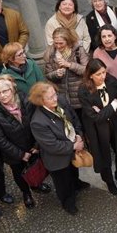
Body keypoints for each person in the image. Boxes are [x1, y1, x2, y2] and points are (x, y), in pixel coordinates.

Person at [0, 75, 51, 209]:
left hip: (32, 146)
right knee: (19, 174)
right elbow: (0, 140)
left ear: (13, 89)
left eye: (5, 91)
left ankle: (37, 184)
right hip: (14, 154)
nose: (3, 95)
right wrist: (21, 155)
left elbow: (38, 121)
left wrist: (37, 144)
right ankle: (26, 193)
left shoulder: (26, 100)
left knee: (36, 167)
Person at [29, 82, 89, 215]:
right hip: (57, 159)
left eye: (54, 94)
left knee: (73, 170)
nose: (55, 98)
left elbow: (74, 118)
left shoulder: (61, 100)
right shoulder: (38, 121)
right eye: (50, 97)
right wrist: (74, 146)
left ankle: (77, 184)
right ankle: (68, 202)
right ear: (41, 101)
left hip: (72, 147)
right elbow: (52, 145)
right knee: (63, 182)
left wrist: (78, 134)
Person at [78, 59, 117, 195]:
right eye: (98, 74)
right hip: (98, 128)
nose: (103, 76)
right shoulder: (83, 90)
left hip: (116, 122)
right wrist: (113, 105)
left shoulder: (111, 80)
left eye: (104, 72)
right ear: (90, 75)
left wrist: (102, 111)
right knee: (103, 154)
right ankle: (109, 180)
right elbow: (94, 117)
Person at [43, 27, 89, 120]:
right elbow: (48, 74)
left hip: (79, 95)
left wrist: (69, 65)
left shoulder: (78, 50)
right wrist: (56, 74)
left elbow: (87, 70)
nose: (58, 46)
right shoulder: (51, 53)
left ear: (68, 41)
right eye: (56, 43)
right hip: (62, 96)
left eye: (61, 43)